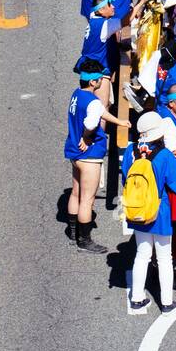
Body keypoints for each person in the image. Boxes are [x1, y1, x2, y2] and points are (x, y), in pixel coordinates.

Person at [122, 110, 176, 312]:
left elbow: (125, 178)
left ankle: (136, 297)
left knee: (142, 253)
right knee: (164, 257)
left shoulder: (131, 151)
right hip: (160, 210)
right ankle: (166, 301)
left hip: (138, 207)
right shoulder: (164, 155)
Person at [65, 70, 130, 254]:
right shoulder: (92, 101)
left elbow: (100, 112)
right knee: (87, 199)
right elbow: (91, 123)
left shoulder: (77, 94)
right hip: (89, 155)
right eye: (100, 78)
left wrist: (119, 122)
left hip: (74, 153)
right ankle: (84, 241)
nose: (102, 81)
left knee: (76, 193)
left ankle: (73, 232)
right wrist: (86, 138)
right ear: (94, 81)